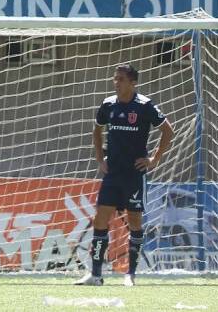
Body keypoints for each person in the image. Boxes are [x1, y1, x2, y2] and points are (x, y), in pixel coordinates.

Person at [75, 64, 174, 286]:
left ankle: (130, 274)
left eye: (121, 79)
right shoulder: (108, 104)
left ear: (132, 83)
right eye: (115, 79)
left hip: (134, 175)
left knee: (134, 222)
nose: (116, 83)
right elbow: (97, 130)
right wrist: (100, 159)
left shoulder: (145, 106)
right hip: (113, 175)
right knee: (101, 219)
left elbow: (168, 130)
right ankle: (96, 274)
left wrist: (154, 159)